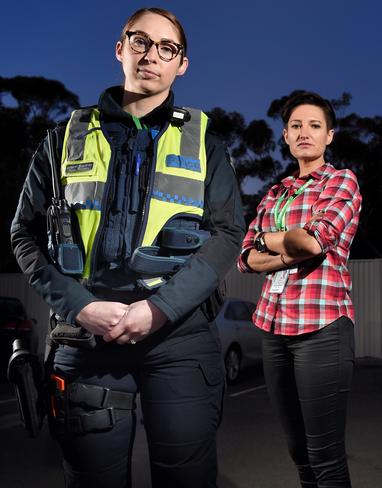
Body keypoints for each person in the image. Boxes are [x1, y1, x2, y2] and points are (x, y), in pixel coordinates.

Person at [11, 7, 245, 487]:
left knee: (188, 478)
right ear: (120, 49)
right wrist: (80, 308)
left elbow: (227, 235)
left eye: (167, 48)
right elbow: (24, 235)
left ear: (182, 64)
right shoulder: (60, 142)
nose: (151, 56)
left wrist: (158, 310)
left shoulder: (206, 145)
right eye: (140, 41)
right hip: (86, 341)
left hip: (178, 338)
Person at [237, 91, 362, 487]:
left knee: (325, 457)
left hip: (321, 328)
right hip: (272, 329)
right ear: (286, 137)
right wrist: (288, 247)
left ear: (329, 136)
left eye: (314, 125)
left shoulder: (341, 180)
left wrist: (268, 241)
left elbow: (315, 241)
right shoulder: (276, 193)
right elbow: (245, 258)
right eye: (295, 126)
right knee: (299, 454)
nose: (304, 132)